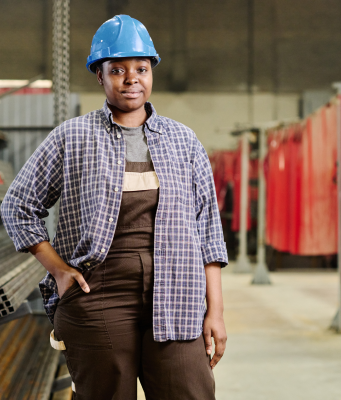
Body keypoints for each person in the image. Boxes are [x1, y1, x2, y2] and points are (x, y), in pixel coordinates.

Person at [0, 15, 228, 400]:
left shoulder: (183, 141)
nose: (131, 78)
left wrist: (216, 311)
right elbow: (18, 205)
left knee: (189, 390)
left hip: (178, 290)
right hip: (98, 294)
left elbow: (208, 232)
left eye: (141, 68)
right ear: (99, 75)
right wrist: (58, 271)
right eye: (117, 69)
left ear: (151, 71)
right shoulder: (72, 138)